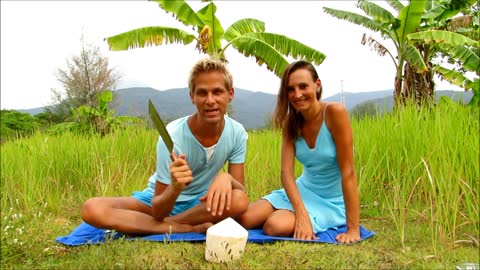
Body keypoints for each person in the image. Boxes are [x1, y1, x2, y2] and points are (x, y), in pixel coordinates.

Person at [81, 58, 249, 234]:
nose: (210, 100)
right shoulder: (173, 136)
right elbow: (158, 210)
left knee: (239, 200)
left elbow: (240, 190)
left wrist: (227, 179)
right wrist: (175, 187)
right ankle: (187, 228)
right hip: (158, 203)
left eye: (217, 92)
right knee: (92, 208)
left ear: (230, 94)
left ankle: (164, 226)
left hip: (200, 205)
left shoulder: (236, 133)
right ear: (192, 97)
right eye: (202, 93)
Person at [238, 60, 361, 244]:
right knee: (245, 219)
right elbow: (286, 173)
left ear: (317, 85)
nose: (297, 94)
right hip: (302, 189)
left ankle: (291, 215)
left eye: (303, 86)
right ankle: (191, 225)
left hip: (331, 201)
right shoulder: (291, 122)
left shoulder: (335, 113)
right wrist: (300, 211)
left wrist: (353, 229)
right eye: (291, 89)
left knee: (274, 226)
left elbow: (348, 172)